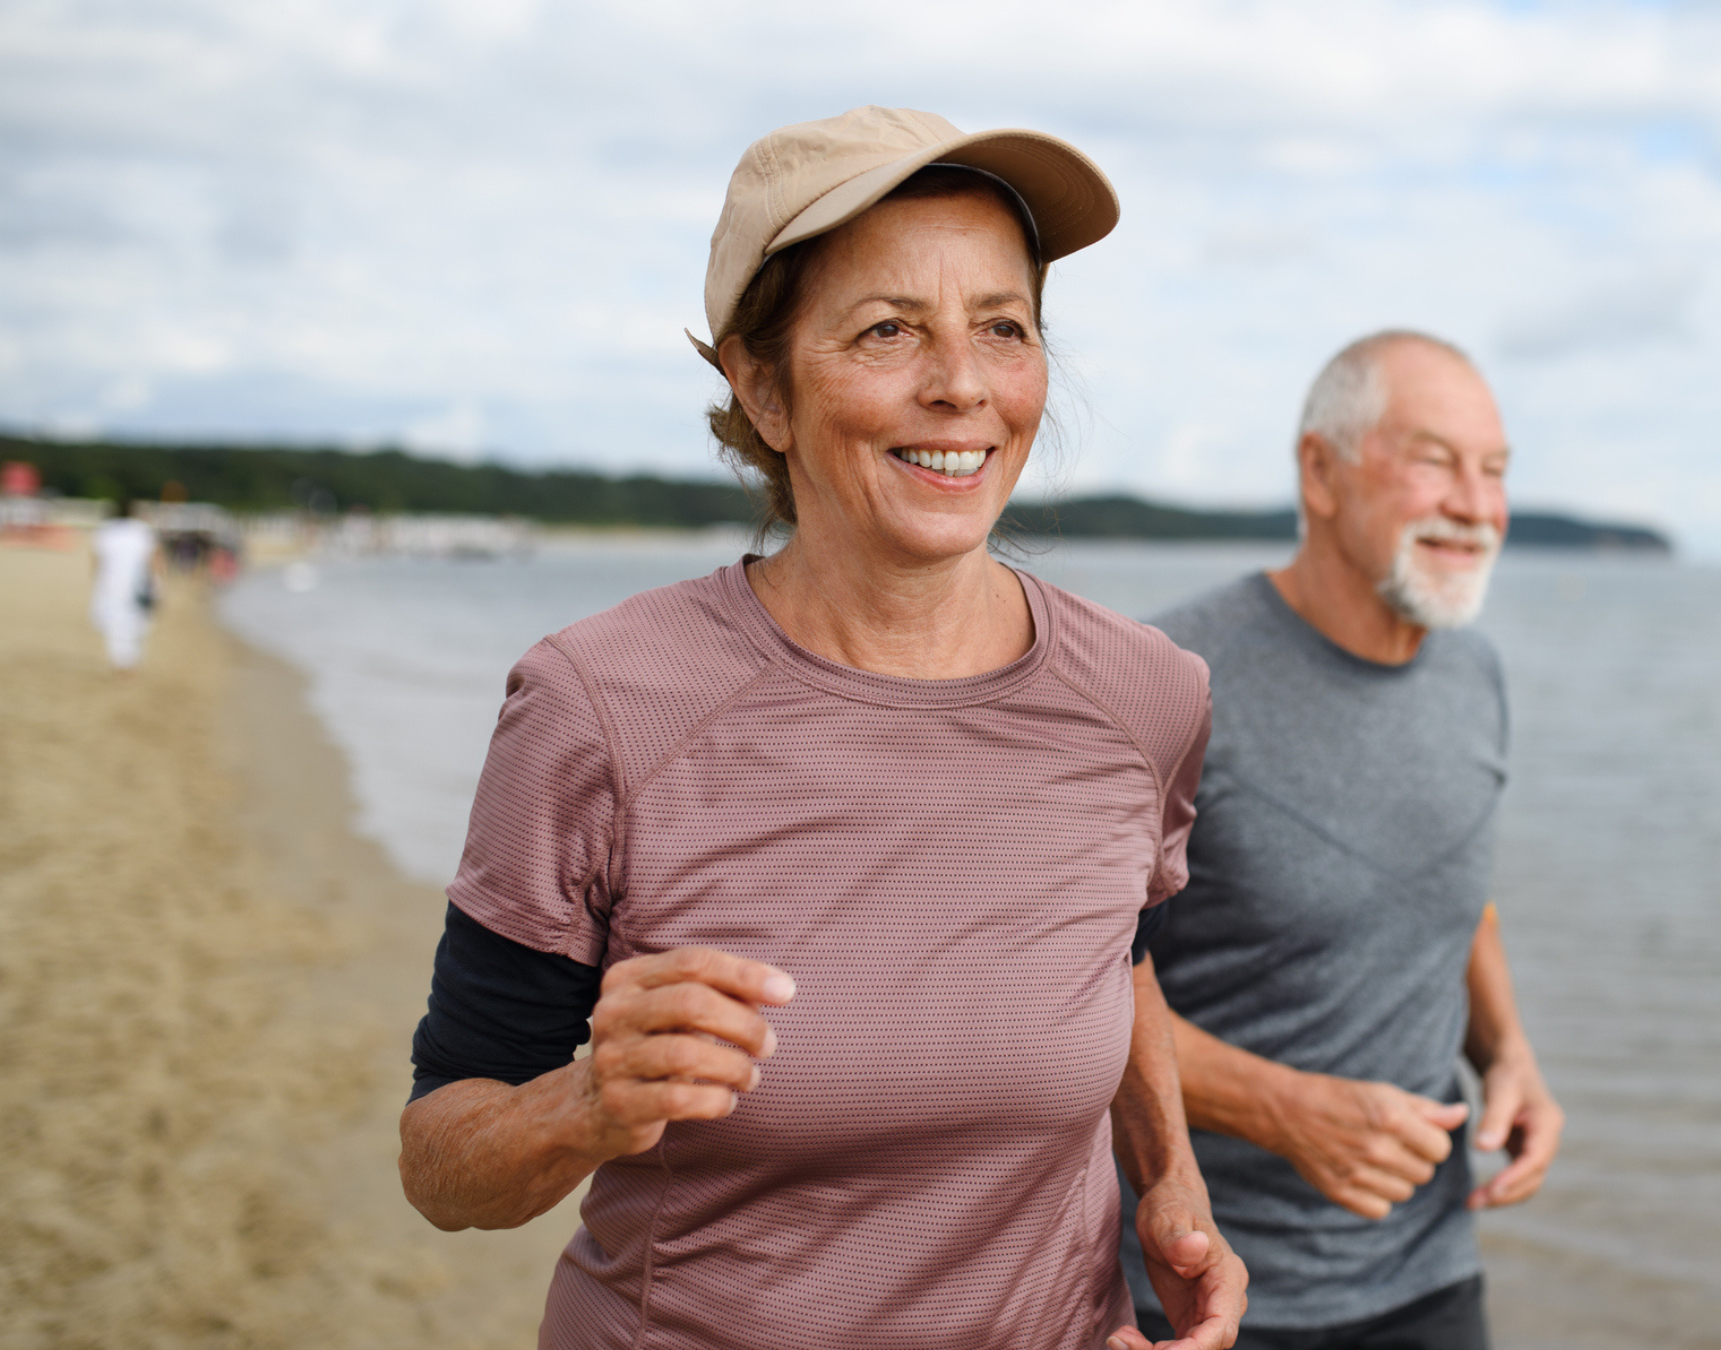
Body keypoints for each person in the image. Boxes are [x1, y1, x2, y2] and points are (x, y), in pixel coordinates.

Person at [398, 107, 1245, 1350]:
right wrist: (582, 1106)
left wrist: (1172, 1178)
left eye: (1002, 327)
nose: (960, 383)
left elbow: (1117, 956)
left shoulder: (1147, 697)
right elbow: (440, 1161)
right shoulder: (601, 708)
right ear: (762, 387)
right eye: (889, 329)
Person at [1121, 332, 1564, 1349]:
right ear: (1318, 471)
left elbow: (1450, 891)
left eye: (1494, 470)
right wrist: (1282, 1109)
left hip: (1429, 1278)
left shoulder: (1476, 675)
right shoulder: (1167, 682)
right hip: (1197, 1288)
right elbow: (1058, 985)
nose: (1475, 503)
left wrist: (1510, 1055)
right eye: (1432, 459)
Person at [89, 498, 159, 671]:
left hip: (111, 583)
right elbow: (154, 559)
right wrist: (158, 584)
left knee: (115, 623)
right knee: (136, 624)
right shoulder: (143, 531)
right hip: (138, 583)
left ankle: (121, 661)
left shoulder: (106, 530)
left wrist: (98, 580)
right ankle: (129, 661)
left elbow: (97, 560)